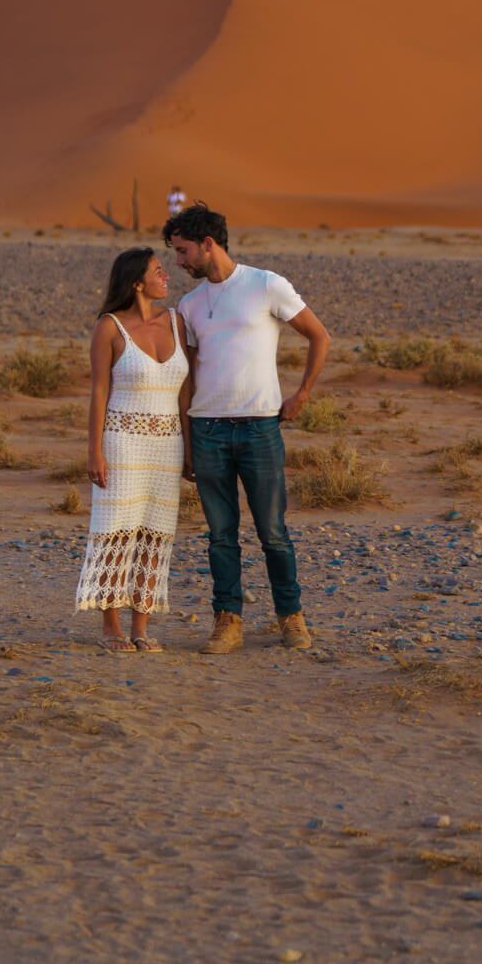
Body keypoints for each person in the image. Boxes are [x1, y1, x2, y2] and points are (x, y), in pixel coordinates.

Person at [163, 200, 329, 654]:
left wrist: (302, 395)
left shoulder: (266, 285)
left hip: (259, 428)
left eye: (182, 251)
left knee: (273, 531)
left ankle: (290, 618)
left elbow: (319, 336)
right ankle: (227, 621)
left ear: (208, 244)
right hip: (208, 430)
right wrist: (187, 441)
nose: (178, 262)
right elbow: (189, 376)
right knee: (220, 535)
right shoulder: (190, 304)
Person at [75, 246, 191, 651]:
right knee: (116, 533)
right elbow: (98, 392)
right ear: (137, 283)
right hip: (122, 442)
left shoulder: (176, 322)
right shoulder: (109, 327)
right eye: (159, 272)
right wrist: (94, 451)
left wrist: (190, 450)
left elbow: (185, 393)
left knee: (155, 533)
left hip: (167, 444)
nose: (167, 276)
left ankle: (140, 627)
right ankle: (112, 628)